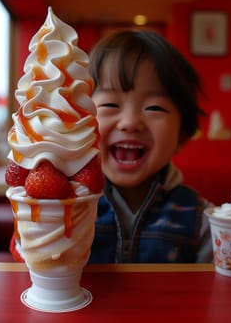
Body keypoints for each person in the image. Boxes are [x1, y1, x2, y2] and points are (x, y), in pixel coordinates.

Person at [88, 29, 213, 263]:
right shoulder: (68, 207)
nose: (130, 122)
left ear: (182, 136)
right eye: (110, 104)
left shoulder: (202, 221)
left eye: (155, 108)